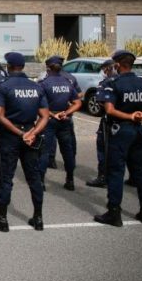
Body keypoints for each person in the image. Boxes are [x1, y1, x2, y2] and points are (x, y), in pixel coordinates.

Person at [94, 50, 142, 227]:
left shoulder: (113, 82)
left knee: (116, 172)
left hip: (120, 131)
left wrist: (130, 116)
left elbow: (109, 110)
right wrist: (140, 115)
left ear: (117, 65)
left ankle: (114, 213)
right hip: (139, 131)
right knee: (140, 171)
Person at [0, 52, 50, 232]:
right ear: (23, 67)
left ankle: (2, 219)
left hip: (10, 136)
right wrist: (32, 132)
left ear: (8, 67)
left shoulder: (4, 86)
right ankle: (38, 218)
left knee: (6, 178)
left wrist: (20, 133)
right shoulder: (36, 87)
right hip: (31, 135)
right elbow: (45, 116)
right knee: (35, 178)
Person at [38, 56, 82, 191]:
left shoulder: (43, 84)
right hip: (64, 119)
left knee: (44, 151)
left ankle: (41, 182)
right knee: (67, 151)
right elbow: (78, 102)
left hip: (49, 119)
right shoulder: (67, 82)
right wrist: (67, 113)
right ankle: (70, 180)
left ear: (48, 68)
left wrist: (52, 114)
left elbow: (39, 105)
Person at [86, 59, 116, 188]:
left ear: (110, 68)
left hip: (110, 122)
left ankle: (103, 177)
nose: (104, 72)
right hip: (130, 121)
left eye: (105, 69)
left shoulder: (106, 83)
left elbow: (101, 101)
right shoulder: (134, 81)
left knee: (103, 149)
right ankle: (133, 177)